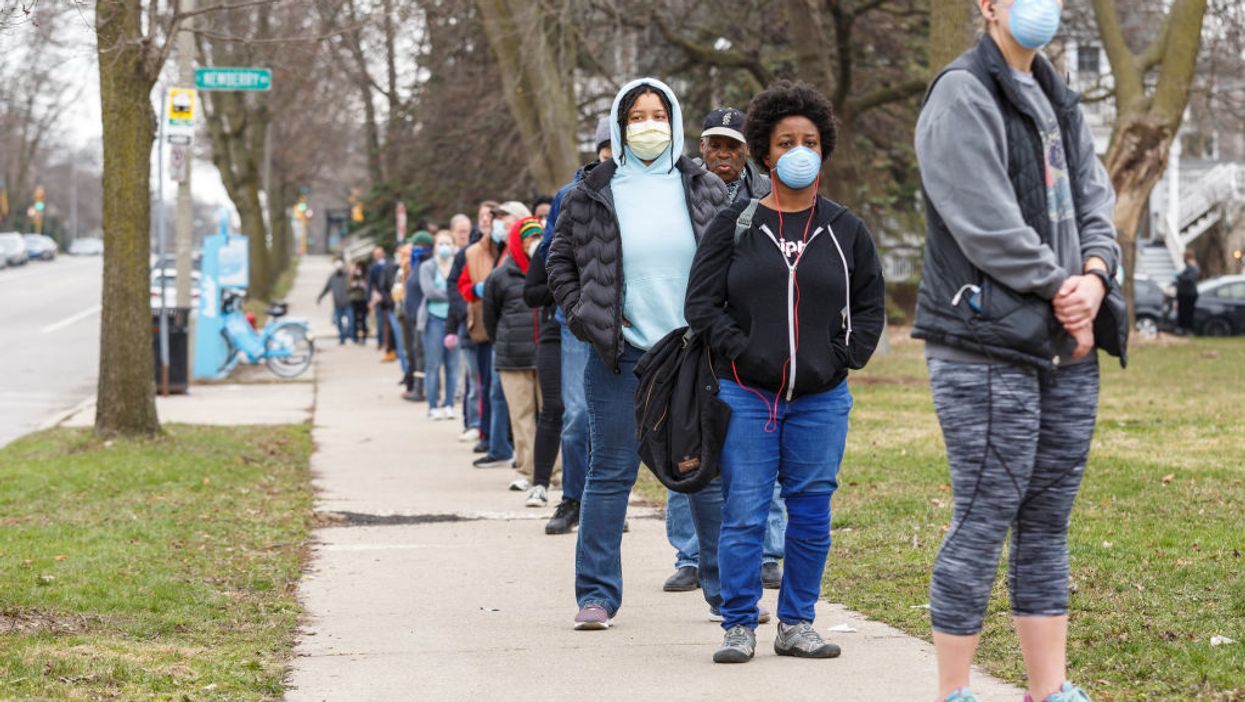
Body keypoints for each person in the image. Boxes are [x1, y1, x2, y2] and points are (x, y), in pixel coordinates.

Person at [913, 1, 1120, 699]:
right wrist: (1060, 284)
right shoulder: (961, 92)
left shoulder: (1057, 94)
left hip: (1068, 340)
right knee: (983, 515)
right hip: (984, 343)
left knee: (1045, 521)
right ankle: (953, 691)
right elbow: (981, 219)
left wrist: (1094, 276)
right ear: (987, 5)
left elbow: (1095, 196)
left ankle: (1048, 688)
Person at [685, 80, 885, 664]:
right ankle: (739, 623)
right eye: (786, 140)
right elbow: (701, 305)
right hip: (746, 394)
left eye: (811, 141)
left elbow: (869, 302)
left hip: (822, 400)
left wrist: (848, 354)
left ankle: (797, 622)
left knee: (811, 514)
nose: (800, 150)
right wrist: (739, 351)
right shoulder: (736, 223)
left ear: (823, 151)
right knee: (744, 512)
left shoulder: (845, 228)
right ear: (766, 153)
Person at [547, 77, 730, 631]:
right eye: (637, 117)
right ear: (621, 127)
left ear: (674, 124)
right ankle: (596, 596)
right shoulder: (590, 192)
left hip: (691, 355)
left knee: (704, 476)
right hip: (621, 354)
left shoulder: (703, 188)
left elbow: (733, 264)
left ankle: (728, 593)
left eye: (659, 115)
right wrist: (588, 318)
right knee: (609, 474)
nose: (649, 125)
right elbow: (559, 265)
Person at [665, 106, 787, 594]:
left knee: (764, 440)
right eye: (715, 144)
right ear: (701, 148)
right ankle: (691, 555)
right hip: (691, 332)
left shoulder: (769, 196)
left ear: (747, 153)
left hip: (751, 334)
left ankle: (769, 552)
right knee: (687, 441)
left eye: (733, 146)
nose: (723, 155)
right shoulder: (681, 193)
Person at [536, 116, 612, 535]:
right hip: (576, 320)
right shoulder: (569, 196)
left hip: (622, 321)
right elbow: (551, 256)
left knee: (614, 416)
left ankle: (606, 502)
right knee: (577, 414)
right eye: (606, 151)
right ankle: (572, 499)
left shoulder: (637, 194)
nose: (611, 159)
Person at [485, 217, 552, 493]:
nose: (531, 243)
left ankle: (554, 470)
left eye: (536, 236)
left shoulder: (551, 270)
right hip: (513, 356)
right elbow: (490, 317)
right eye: (527, 238)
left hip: (546, 354)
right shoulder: (500, 276)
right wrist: (501, 343)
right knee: (521, 416)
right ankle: (527, 469)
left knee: (551, 413)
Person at [445, 213, 480, 438]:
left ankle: (477, 423)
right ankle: (471, 421)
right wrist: (458, 319)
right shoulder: (459, 256)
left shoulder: (476, 252)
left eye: (466, 230)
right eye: (460, 231)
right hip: (464, 320)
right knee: (470, 377)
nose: (463, 234)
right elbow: (454, 290)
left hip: (480, 320)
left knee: (477, 378)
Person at [420, 231, 460, 419]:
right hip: (434, 320)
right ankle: (432, 405)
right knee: (433, 365)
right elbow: (429, 292)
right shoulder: (427, 267)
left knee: (452, 366)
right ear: (435, 246)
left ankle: (449, 404)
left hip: (453, 321)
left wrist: (450, 293)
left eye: (447, 243)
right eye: (440, 243)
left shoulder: (457, 265)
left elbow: (460, 289)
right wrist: (451, 294)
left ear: (453, 246)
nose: (444, 247)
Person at [401, 234, 434, 400]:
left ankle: (420, 389)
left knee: (421, 353)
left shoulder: (426, 265)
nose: (414, 248)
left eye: (417, 245)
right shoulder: (416, 264)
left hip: (422, 318)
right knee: (415, 352)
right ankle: (416, 385)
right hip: (413, 318)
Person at [367, 246, 398, 362]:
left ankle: (389, 346)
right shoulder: (373, 267)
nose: (378, 255)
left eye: (380, 253)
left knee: (389, 324)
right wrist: (370, 299)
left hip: (390, 298)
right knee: (381, 321)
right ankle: (382, 342)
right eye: (376, 253)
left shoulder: (390, 264)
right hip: (381, 298)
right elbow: (371, 283)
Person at [317, 259, 352, 345]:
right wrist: (320, 297)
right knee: (338, 322)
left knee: (351, 321)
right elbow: (326, 288)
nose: (339, 270)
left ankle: (348, 335)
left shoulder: (348, 276)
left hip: (348, 303)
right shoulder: (332, 277)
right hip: (338, 304)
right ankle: (342, 338)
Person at [1175, 251, 1200, 334]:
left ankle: (1188, 330)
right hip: (1184, 294)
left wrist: (1179, 276)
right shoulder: (1188, 268)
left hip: (1188, 295)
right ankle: (1182, 328)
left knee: (1187, 313)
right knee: (1182, 313)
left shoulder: (1193, 267)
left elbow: (1189, 279)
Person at [349, 261, 369, 343]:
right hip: (354, 300)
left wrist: (363, 285)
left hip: (363, 300)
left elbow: (368, 287)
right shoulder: (352, 276)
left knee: (363, 320)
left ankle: (363, 337)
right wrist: (352, 283)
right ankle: (355, 337)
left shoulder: (365, 276)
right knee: (354, 320)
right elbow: (348, 289)